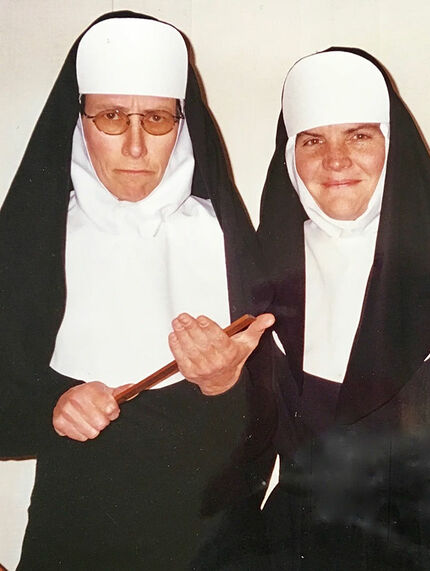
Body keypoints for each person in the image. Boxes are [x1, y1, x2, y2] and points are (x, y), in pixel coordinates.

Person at [0, 12, 276, 569]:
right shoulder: (33, 241)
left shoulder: (228, 240)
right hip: (74, 539)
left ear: (182, 123)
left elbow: (279, 427)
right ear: (78, 121)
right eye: (110, 117)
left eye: (155, 118)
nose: (134, 147)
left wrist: (224, 383)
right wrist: (52, 407)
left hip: (211, 543)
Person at [258, 48, 430, 569]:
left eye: (359, 136)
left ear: (394, 146)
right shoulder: (260, 270)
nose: (335, 160)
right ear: (289, 157)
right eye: (313, 140)